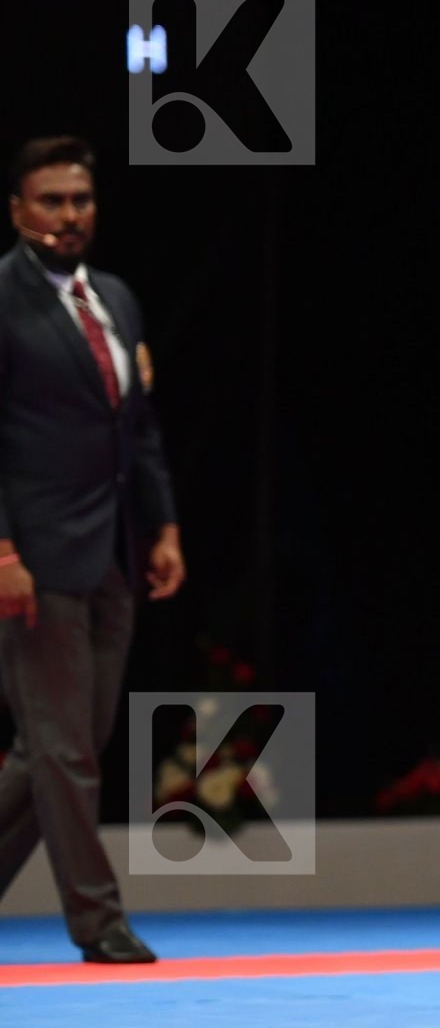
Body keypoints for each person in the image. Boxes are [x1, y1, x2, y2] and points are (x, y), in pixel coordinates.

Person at [0, 135, 186, 963]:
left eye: (80, 200)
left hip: (113, 547)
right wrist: (3, 552)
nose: (69, 215)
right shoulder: (2, 299)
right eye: (52, 200)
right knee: (64, 751)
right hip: (33, 555)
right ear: (18, 210)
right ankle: (98, 921)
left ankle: (93, 912)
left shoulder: (113, 297)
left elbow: (137, 426)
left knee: (56, 748)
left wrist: (164, 525)